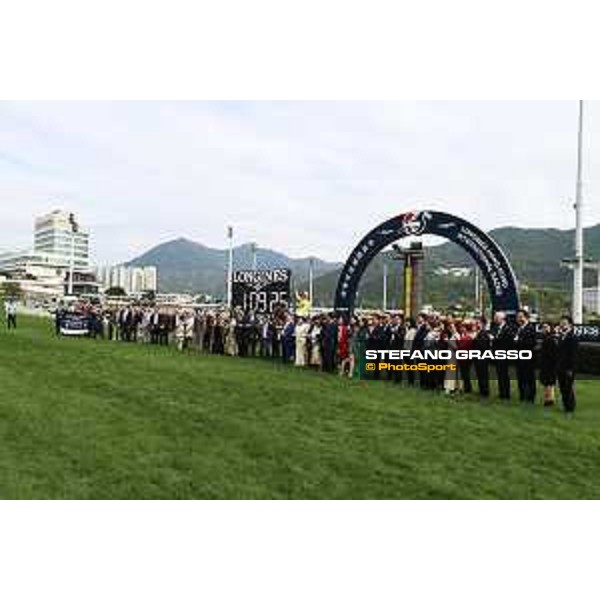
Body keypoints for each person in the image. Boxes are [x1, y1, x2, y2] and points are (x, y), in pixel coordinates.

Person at [514, 309, 537, 403]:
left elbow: (531, 343)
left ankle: (530, 397)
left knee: (529, 377)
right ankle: (522, 395)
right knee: (521, 376)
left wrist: (518, 341)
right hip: (519, 357)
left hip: (528, 358)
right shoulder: (519, 328)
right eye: (517, 317)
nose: (519, 319)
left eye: (521, 316)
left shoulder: (530, 328)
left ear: (526, 317)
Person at [556, 316, 578, 415]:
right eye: (561, 322)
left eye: (564, 323)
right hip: (560, 367)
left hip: (568, 368)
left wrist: (570, 369)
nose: (562, 324)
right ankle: (566, 406)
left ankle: (570, 409)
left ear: (570, 324)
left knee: (568, 388)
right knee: (562, 388)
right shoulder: (561, 336)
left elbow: (573, 355)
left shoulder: (572, 337)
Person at [491, 311, 514, 401]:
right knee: (500, 374)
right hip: (497, 354)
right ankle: (502, 392)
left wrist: (495, 339)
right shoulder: (497, 328)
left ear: (502, 319)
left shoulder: (507, 328)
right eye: (495, 317)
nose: (495, 319)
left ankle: (506, 393)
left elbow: (507, 342)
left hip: (504, 354)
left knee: (504, 374)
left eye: (496, 318)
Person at [539, 322, 558, 407]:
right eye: (543, 327)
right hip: (545, 364)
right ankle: (548, 399)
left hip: (550, 364)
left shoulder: (552, 338)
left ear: (550, 328)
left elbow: (554, 353)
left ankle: (549, 400)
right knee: (546, 382)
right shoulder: (545, 338)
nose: (544, 329)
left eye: (546, 327)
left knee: (549, 382)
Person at [473, 317, 491, 398]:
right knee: (479, 374)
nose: (477, 324)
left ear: (483, 324)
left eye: (478, 323)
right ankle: (481, 390)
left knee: (483, 374)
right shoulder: (479, 333)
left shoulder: (484, 333)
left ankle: (485, 391)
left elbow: (483, 346)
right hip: (478, 357)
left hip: (482, 357)